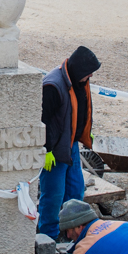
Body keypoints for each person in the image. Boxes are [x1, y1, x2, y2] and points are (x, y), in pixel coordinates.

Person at [37, 46, 99, 241]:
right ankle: (48, 238)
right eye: (88, 72)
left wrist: (84, 132)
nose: (90, 76)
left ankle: (71, 233)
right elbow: (42, 119)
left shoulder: (79, 81)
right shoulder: (53, 86)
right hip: (54, 150)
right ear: (78, 69)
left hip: (70, 145)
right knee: (53, 196)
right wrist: (45, 149)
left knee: (75, 190)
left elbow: (78, 110)